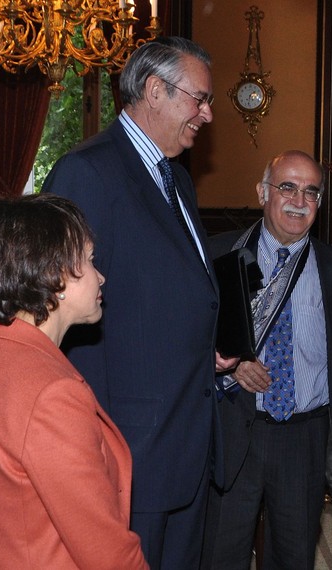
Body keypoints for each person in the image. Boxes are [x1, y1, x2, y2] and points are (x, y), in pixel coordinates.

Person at [42, 37, 236, 569]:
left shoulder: (175, 176)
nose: (208, 114)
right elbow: (60, 319)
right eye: (199, 99)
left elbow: (159, 295)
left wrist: (205, 348)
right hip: (132, 448)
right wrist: (94, 447)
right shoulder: (88, 172)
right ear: (155, 90)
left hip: (186, 438)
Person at [0, 194, 148, 569]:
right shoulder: (51, 393)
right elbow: (107, 555)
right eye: (89, 260)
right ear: (53, 274)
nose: (100, 275)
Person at [202, 150, 332, 569]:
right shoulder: (220, 255)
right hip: (234, 427)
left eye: (311, 192)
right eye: (288, 187)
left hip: (304, 438)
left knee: (294, 556)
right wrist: (231, 362)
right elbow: (187, 338)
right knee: (221, 552)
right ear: (263, 192)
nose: (299, 200)